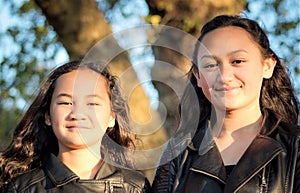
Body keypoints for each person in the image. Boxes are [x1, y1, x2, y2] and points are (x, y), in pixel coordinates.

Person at [152, 15, 300, 192]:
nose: (224, 76)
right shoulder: (177, 153)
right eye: (210, 65)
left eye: (237, 61)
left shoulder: (295, 146)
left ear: (267, 66)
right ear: (198, 76)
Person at [0, 60, 152, 193]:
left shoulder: (135, 187)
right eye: (66, 103)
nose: (77, 113)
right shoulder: (23, 188)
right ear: (47, 116)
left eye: (92, 103)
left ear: (112, 117)